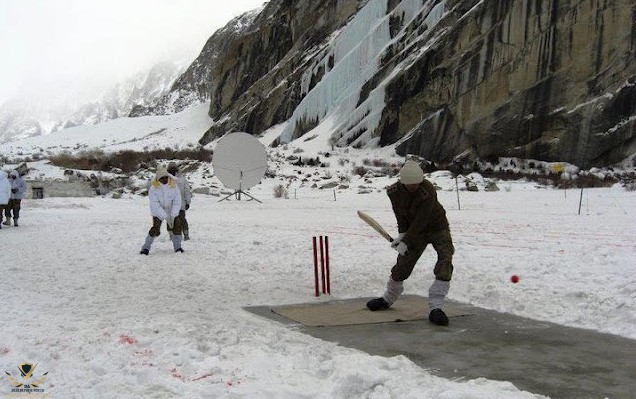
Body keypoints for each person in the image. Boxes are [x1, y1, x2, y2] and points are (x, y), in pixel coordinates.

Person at [366, 160, 455, 326]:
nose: (415, 186)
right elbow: (400, 215)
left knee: (446, 258)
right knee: (403, 264)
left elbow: (422, 220)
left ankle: (436, 308)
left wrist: (406, 240)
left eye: (417, 183)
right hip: (415, 232)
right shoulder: (393, 192)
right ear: (403, 182)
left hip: (437, 227)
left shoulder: (427, 190)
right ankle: (387, 299)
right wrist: (402, 235)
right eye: (411, 184)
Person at [140, 166, 184, 255]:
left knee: (177, 227)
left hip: (172, 210)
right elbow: (154, 204)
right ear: (158, 179)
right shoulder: (153, 188)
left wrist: (173, 214)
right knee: (155, 229)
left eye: (166, 177)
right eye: (162, 178)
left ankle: (178, 247)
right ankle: (146, 248)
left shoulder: (173, 186)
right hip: (158, 212)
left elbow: (177, 201)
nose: (165, 180)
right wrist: (165, 216)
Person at [167, 162, 192, 240]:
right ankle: (185, 235)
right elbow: (187, 191)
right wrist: (188, 202)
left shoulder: (165, 179)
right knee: (181, 219)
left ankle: (173, 235)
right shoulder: (181, 179)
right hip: (177, 204)